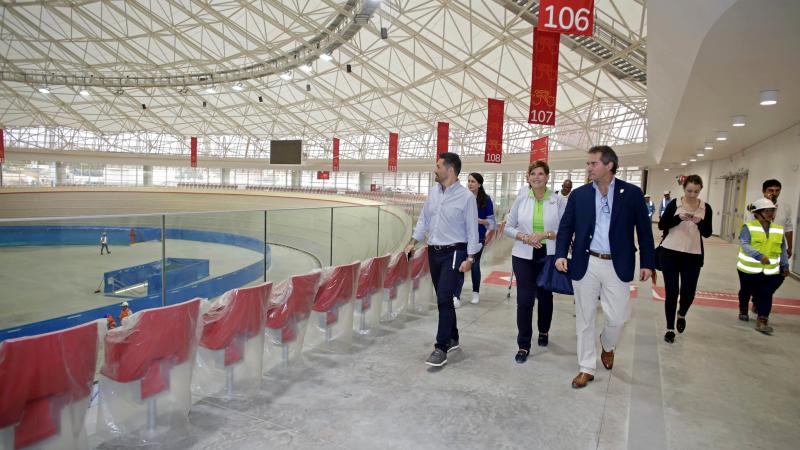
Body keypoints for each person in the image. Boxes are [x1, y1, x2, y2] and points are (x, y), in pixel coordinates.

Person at [555, 145, 655, 389]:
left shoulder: (631, 194)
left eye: (593, 163)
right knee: (585, 318)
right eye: (587, 163)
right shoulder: (579, 195)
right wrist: (560, 254)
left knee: (618, 317)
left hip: (617, 263)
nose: (588, 168)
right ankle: (586, 367)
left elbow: (644, 231)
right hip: (586, 262)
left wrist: (648, 263)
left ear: (609, 165)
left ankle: (607, 344)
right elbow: (566, 227)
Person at [405, 152, 481, 367]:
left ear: (450, 170)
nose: (435, 170)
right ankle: (453, 336)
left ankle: (441, 347)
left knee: (444, 297)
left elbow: (472, 230)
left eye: (438, 166)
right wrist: (413, 242)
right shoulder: (434, 192)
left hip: (455, 251)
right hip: (434, 251)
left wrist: (471, 258)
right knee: (443, 297)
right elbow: (424, 219)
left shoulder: (466, 198)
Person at [505, 161, 566, 363]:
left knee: (545, 296)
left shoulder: (557, 201)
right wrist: (524, 237)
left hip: (548, 255)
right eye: (533, 174)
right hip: (523, 255)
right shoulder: (522, 199)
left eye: (541, 174)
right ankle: (523, 344)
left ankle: (544, 330)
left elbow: (566, 229)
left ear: (547, 177)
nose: (537, 177)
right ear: (528, 177)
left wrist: (545, 234)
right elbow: (508, 227)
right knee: (524, 300)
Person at [657, 175, 713, 343]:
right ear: (684, 189)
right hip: (670, 253)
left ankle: (681, 314)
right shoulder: (675, 204)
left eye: (696, 191)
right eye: (689, 191)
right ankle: (669, 328)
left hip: (693, 255)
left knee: (688, 293)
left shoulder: (706, 208)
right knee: (672, 292)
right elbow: (661, 225)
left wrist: (699, 222)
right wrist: (677, 218)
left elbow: (708, 233)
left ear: (700, 190)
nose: (692, 194)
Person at [740, 179, 794, 318]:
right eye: (770, 190)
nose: (774, 193)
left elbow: (788, 228)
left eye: (777, 190)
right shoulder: (754, 206)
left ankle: (759, 301)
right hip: (756, 254)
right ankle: (748, 306)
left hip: (774, 252)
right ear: (764, 191)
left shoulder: (785, 207)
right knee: (748, 287)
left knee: (774, 282)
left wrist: (789, 247)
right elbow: (748, 230)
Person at [736, 198, 789, 334]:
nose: (770, 214)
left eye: (772, 211)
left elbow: (782, 248)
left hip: (770, 271)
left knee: (766, 293)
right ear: (757, 213)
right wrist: (759, 256)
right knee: (746, 291)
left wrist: (785, 265)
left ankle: (762, 320)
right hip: (748, 269)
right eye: (766, 211)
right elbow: (745, 244)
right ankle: (743, 308)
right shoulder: (748, 227)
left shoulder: (778, 229)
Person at [454, 173, 495, 307]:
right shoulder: (463, 198)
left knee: (474, 264)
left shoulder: (486, 200)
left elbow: (492, 223)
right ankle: (456, 296)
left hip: (479, 237)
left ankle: (475, 292)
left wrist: (478, 220)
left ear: (479, 184)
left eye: (473, 181)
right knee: (460, 264)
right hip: (462, 237)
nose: (470, 184)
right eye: (469, 181)